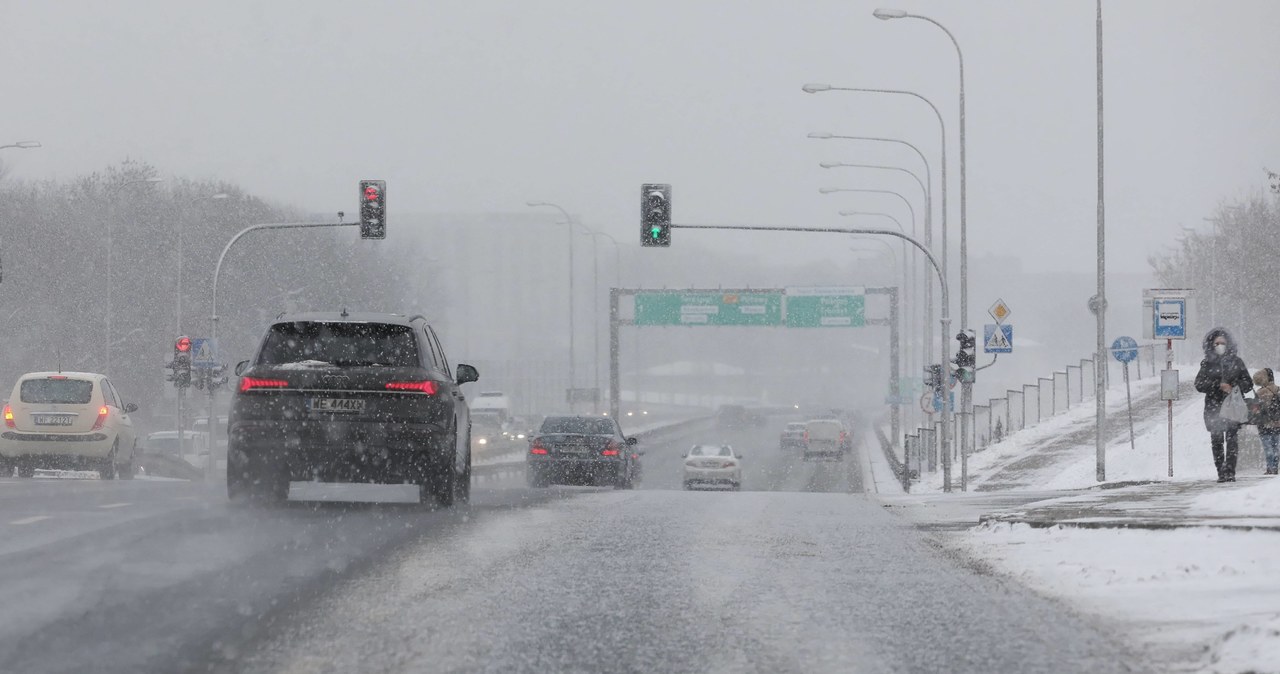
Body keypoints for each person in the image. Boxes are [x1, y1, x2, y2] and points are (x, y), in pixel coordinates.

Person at [1194, 328, 1252, 482]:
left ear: (1229, 344)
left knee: (1232, 440)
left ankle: (1230, 471)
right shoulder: (1207, 363)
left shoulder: (1237, 362)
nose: (1219, 345)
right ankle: (1221, 471)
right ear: (1211, 345)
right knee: (1216, 440)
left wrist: (1233, 386)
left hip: (1233, 406)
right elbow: (1199, 384)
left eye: (1222, 343)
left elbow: (1248, 383)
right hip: (1213, 407)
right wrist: (1217, 385)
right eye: (1216, 343)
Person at [1253, 368, 1280, 475]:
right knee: (1276, 447)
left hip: (1264, 425)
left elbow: (1255, 409)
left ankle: (1270, 468)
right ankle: (1275, 468)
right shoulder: (1278, 390)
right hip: (1278, 424)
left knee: (1268, 448)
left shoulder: (1259, 392)